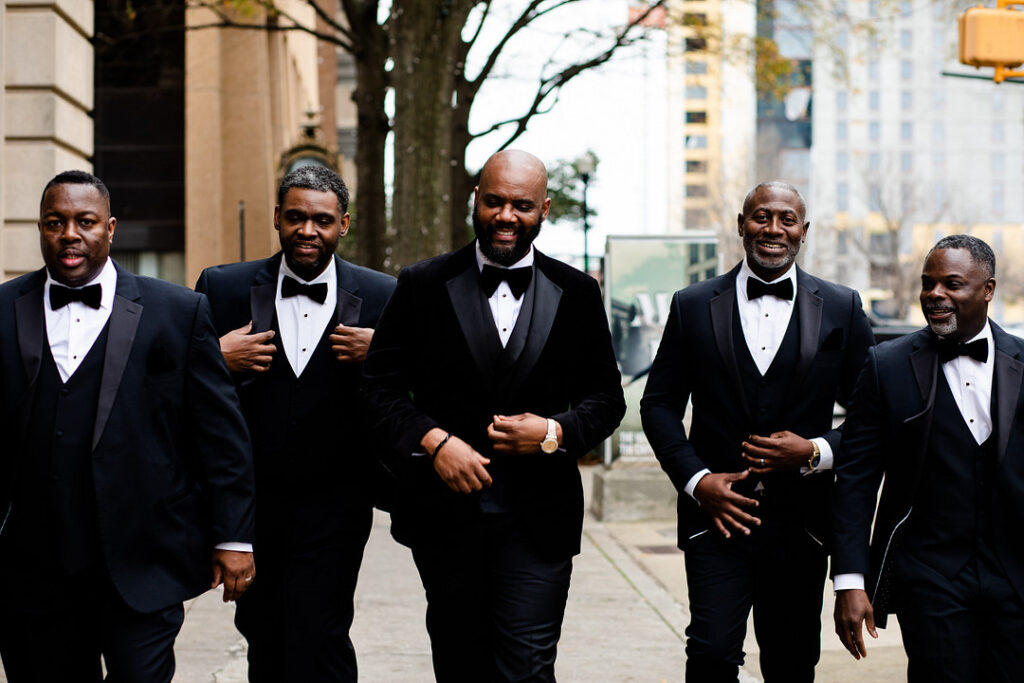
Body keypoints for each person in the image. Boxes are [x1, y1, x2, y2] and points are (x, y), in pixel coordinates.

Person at [361, 149, 624, 682]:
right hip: (444, 520)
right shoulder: (420, 285)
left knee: (527, 668)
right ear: (476, 199)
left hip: (539, 521)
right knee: (460, 666)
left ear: (544, 209)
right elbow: (378, 389)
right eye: (495, 201)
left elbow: (606, 400)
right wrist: (434, 441)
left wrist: (553, 433)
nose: (507, 216)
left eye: (521, 205)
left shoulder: (577, 293)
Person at [0, 170, 256, 682]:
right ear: (41, 229)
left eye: (85, 221)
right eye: (56, 222)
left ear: (110, 229)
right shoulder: (4, 308)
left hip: (143, 561)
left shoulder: (178, 311)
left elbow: (221, 437)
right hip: (32, 568)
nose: (70, 233)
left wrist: (234, 536)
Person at [640, 181, 874, 682]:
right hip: (715, 520)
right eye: (761, 216)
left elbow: (870, 418)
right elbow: (658, 405)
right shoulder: (692, 303)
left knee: (791, 663)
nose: (773, 229)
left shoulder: (841, 306)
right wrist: (698, 480)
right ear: (741, 223)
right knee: (711, 654)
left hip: (803, 525)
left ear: (803, 231)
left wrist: (815, 451)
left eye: (786, 219)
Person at [195, 165, 396, 682]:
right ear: (278, 219)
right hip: (250, 506)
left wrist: (382, 354)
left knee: (321, 630)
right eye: (296, 217)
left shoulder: (383, 295)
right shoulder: (223, 288)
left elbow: (422, 383)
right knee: (264, 633)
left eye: (322, 220)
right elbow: (178, 385)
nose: (308, 230)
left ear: (344, 224)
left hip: (337, 505)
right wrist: (217, 356)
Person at [833, 235, 1024, 682]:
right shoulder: (886, 365)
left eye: (952, 284)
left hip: (1017, 573)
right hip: (931, 576)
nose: (935, 294)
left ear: (988, 290)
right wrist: (849, 581)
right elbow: (857, 480)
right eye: (928, 284)